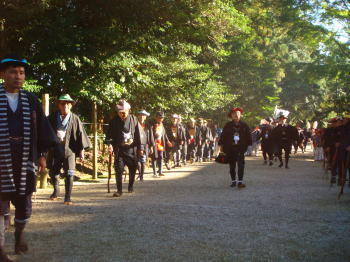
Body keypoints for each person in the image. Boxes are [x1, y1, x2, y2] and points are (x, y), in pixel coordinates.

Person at [0, 55, 59, 261]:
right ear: (3, 75)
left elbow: (42, 130)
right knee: (0, 202)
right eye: (13, 72)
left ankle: (19, 234)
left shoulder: (31, 100)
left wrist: (42, 156)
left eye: (22, 73)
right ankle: (1, 248)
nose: (18, 76)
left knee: (24, 200)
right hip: (1, 158)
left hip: (25, 157)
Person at [47, 94, 91, 205]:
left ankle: (67, 197)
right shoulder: (52, 118)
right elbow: (45, 132)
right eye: (63, 103)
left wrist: (81, 150)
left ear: (71, 105)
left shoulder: (75, 118)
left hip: (69, 150)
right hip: (55, 149)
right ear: (58, 105)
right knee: (53, 172)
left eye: (68, 103)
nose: (65, 105)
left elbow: (80, 134)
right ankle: (56, 191)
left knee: (70, 173)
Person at [105, 100, 141, 197]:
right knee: (119, 169)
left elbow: (139, 135)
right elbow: (109, 135)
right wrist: (109, 145)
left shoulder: (134, 119)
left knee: (133, 169)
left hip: (131, 149)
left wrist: (140, 148)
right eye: (120, 112)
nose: (122, 114)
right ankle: (119, 190)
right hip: (119, 150)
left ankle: (130, 186)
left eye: (124, 112)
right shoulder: (113, 121)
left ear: (128, 110)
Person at [218, 107, 252, 188]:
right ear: (231, 116)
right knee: (232, 166)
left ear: (240, 115)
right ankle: (233, 181)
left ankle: (240, 182)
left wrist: (249, 146)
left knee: (241, 165)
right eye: (234, 114)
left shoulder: (244, 125)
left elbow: (248, 136)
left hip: (240, 148)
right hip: (230, 148)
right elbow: (223, 136)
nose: (236, 115)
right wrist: (220, 145)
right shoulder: (228, 125)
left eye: (238, 114)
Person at [150, 112, 171, 177]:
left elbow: (164, 134)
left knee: (161, 157)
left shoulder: (162, 124)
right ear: (156, 117)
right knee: (154, 157)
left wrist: (167, 141)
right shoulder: (152, 125)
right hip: (154, 143)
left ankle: (160, 171)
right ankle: (154, 172)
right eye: (159, 117)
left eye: (162, 118)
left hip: (160, 143)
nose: (160, 119)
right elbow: (150, 135)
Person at [136, 110, 154, 181]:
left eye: (143, 115)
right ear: (138, 116)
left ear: (145, 117)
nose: (142, 117)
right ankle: (140, 173)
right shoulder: (135, 124)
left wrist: (151, 146)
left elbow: (151, 136)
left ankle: (141, 176)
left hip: (145, 145)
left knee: (143, 160)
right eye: (140, 115)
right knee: (137, 161)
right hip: (136, 145)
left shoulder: (148, 126)